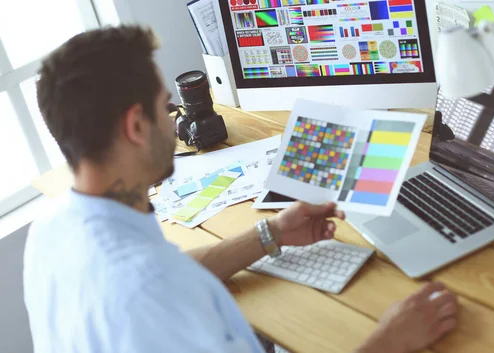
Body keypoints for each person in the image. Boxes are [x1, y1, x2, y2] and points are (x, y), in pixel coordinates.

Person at [23, 25, 459, 353]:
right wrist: (389, 341)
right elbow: (158, 289)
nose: (175, 121)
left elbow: (173, 279)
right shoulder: (144, 293)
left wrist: (270, 235)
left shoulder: (54, 225)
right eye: (166, 108)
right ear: (136, 126)